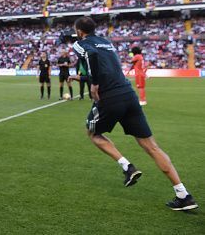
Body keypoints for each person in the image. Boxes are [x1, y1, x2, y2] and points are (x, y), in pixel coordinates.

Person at [72, 16, 197, 211]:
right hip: (128, 94)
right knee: (152, 147)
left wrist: (94, 84)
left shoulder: (80, 44)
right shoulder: (107, 43)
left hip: (110, 96)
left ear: (79, 31)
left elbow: (92, 55)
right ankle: (184, 194)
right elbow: (107, 68)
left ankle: (127, 167)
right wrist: (82, 77)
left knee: (93, 133)